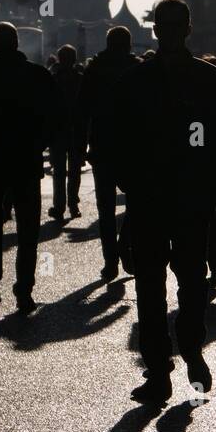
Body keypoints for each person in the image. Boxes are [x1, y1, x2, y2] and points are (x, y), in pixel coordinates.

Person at [125, 0, 216, 405]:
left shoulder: (146, 80)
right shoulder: (204, 78)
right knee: (167, 283)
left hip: (175, 198)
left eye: (174, 26)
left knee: (177, 283)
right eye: (166, 26)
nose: (170, 33)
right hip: (175, 198)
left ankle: (181, 356)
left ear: (184, 29)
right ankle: (168, 364)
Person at [0, 22, 62, 313]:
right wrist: (39, 144)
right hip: (25, 159)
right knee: (28, 227)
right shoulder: (37, 76)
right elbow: (57, 116)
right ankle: (24, 289)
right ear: (17, 43)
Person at [79, 26, 139, 281]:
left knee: (105, 209)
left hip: (102, 146)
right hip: (132, 148)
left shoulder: (94, 69)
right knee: (136, 204)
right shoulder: (137, 70)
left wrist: (81, 146)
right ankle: (124, 247)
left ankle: (110, 260)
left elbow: (82, 110)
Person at [48, 44, 84, 222]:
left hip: (58, 131)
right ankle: (73, 204)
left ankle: (59, 206)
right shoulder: (80, 80)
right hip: (76, 130)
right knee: (75, 170)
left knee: (59, 171)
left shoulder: (53, 80)